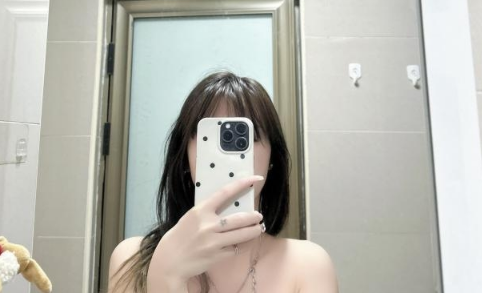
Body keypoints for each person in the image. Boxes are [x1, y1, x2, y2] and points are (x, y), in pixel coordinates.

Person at [108, 71, 339, 293]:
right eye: (209, 136)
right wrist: (164, 276)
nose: (227, 155)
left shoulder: (309, 266)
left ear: (272, 160)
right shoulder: (131, 259)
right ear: (185, 157)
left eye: (246, 137)